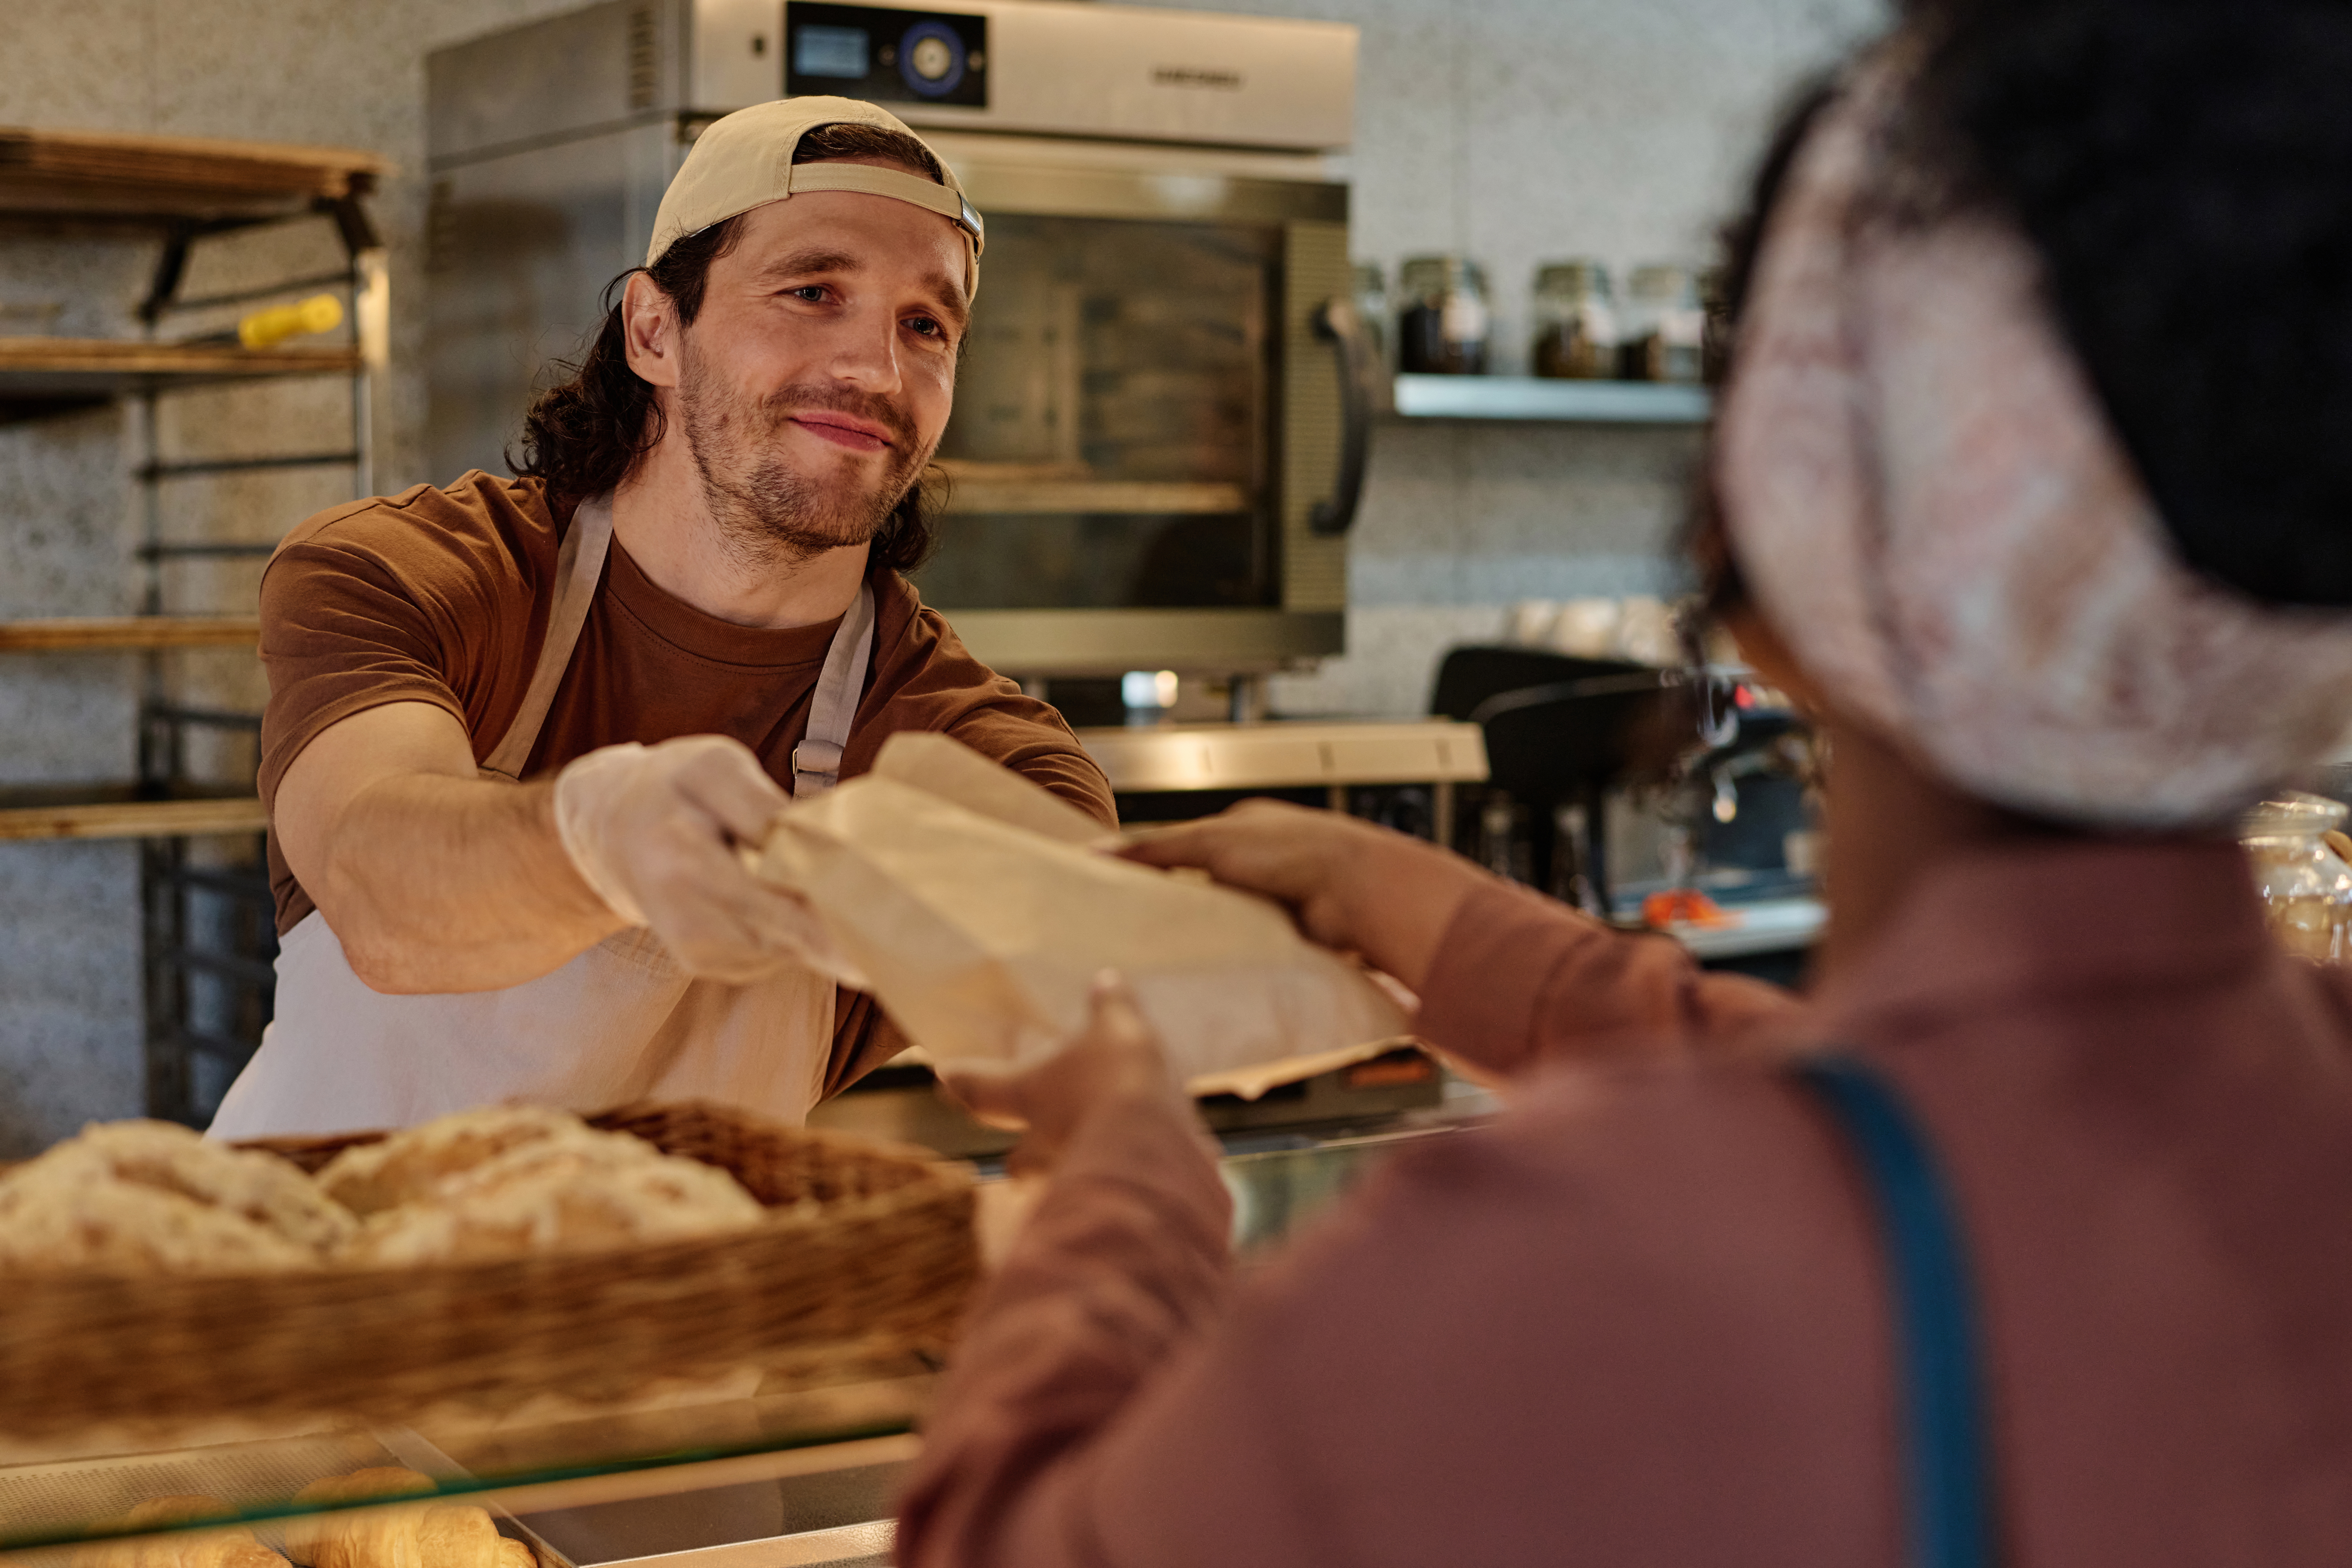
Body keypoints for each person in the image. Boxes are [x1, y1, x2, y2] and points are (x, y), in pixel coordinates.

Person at [895, 2, 2352, 1562]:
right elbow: (1979, 1113)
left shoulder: (1559, 1273)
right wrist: (1437, 920)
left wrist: (1120, 1174)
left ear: (1768, 515)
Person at [209, 99, 1111, 1140]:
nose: (878, 372)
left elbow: (1040, 1036)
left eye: (926, 326)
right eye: (812, 292)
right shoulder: (417, 576)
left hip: (687, 1254)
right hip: (315, 1243)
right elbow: (385, 896)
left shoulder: (970, 744)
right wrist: (604, 839)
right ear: (654, 331)